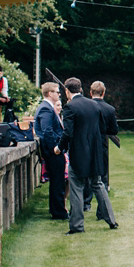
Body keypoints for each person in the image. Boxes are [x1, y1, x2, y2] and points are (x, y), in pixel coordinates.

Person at [55, 77, 117, 233]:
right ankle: (111, 220)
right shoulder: (94, 105)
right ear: (81, 89)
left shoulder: (69, 107)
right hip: (95, 153)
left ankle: (77, 226)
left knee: (76, 188)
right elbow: (102, 129)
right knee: (98, 185)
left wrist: (59, 148)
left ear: (67, 91)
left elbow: (67, 132)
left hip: (78, 153)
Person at [35, 82, 67, 220]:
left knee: (58, 181)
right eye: (57, 91)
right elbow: (47, 130)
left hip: (53, 151)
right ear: (50, 94)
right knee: (57, 182)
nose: (59, 94)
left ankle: (57, 210)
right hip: (52, 152)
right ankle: (58, 212)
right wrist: (56, 147)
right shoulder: (45, 109)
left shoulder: (47, 108)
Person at [85, 81, 118, 210]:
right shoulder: (109, 109)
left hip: (86, 144)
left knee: (86, 174)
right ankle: (102, 209)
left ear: (90, 92)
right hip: (101, 144)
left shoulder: (85, 107)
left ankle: (86, 204)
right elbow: (114, 130)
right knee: (102, 176)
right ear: (104, 93)